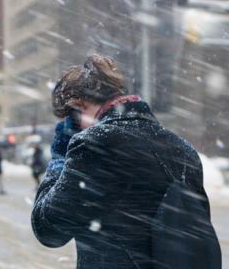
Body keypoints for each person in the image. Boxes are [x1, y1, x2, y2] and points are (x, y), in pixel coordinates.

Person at [31, 54, 221, 269]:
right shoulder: (183, 150)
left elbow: (48, 229)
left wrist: (58, 158)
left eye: (67, 119)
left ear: (78, 108)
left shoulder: (96, 144)